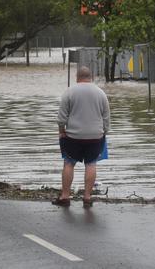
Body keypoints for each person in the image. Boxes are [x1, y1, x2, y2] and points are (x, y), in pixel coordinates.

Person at [54, 66, 110, 208]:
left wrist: (61, 131)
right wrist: (104, 132)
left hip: (73, 136)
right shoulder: (101, 93)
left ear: (77, 77)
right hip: (95, 136)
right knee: (91, 164)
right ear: (90, 77)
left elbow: (62, 117)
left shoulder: (69, 92)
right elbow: (106, 117)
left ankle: (65, 196)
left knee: (68, 163)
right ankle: (87, 197)